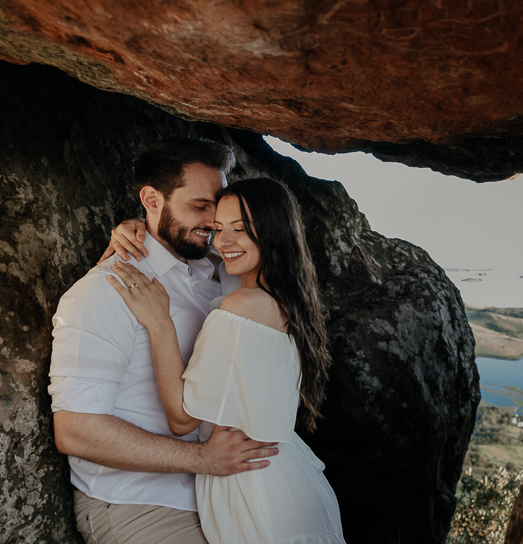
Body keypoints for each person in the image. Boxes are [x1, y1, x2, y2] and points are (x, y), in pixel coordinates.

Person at [50, 137, 279, 544]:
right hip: (138, 503)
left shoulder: (222, 278)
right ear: (152, 200)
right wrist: (203, 459)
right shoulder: (105, 291)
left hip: (228, 494)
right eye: (199, 206)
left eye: (217, 205)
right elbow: (75, 430)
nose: (212, 220)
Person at [107, 178, 345, 544]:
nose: (223, 242)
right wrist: (140, 229)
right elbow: (219, 259)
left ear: (273, 231)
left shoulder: (242, 308)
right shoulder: (283, 296)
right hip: (288, 480)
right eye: (218, 229)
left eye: (241, 229)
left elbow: (182, 419)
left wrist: (159, 323)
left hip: (254, 492)